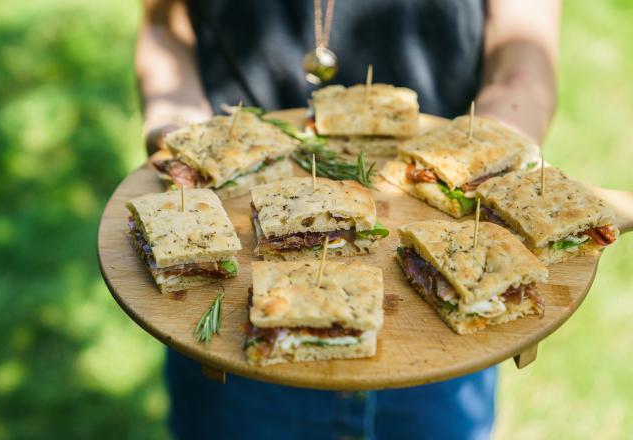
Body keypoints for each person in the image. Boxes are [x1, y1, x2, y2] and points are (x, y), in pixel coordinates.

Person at [136, 1, 560, 438]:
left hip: (441, 359)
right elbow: (166, 27)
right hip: (228, 371)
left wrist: (489, 166)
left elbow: (522, 62)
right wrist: (176, 134)